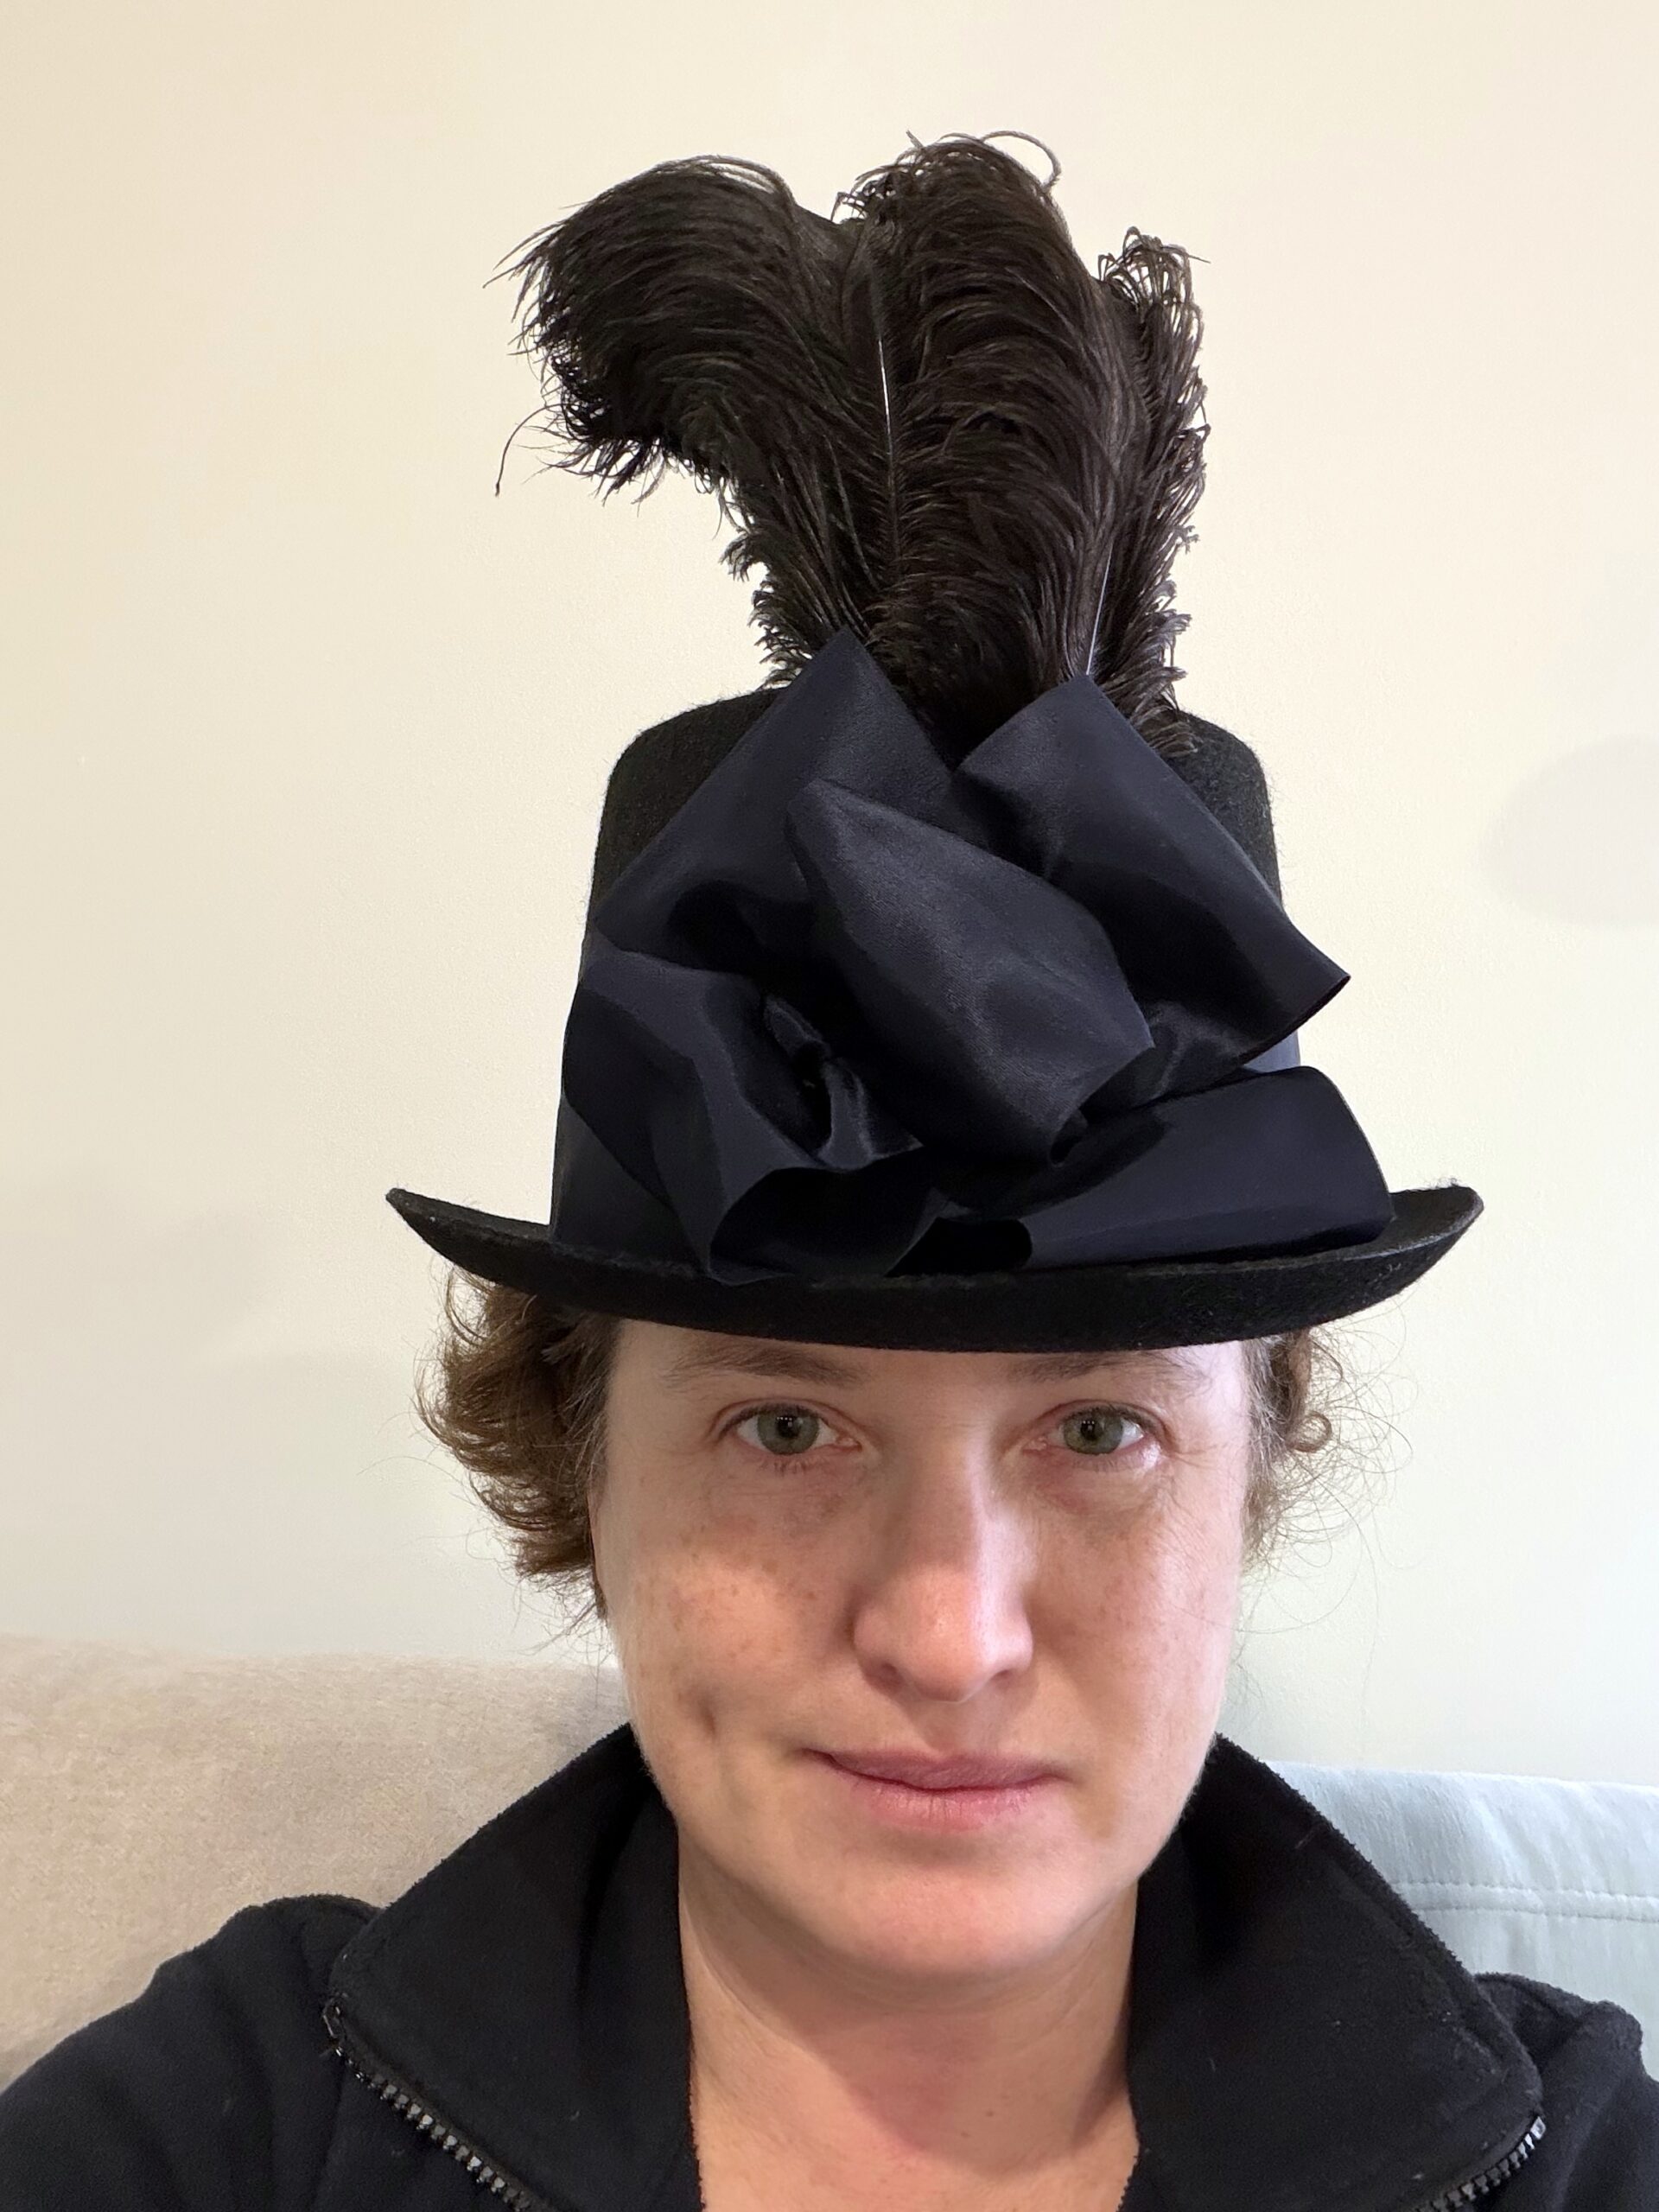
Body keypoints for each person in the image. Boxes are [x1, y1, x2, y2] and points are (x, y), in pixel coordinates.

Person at [3, 130, 1654, 2211]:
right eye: (786, 1420)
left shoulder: (1577, 2155)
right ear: (578, 1473)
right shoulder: (231, 2118)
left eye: (1101, 1429)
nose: (950, 1628)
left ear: (1255, 1474)